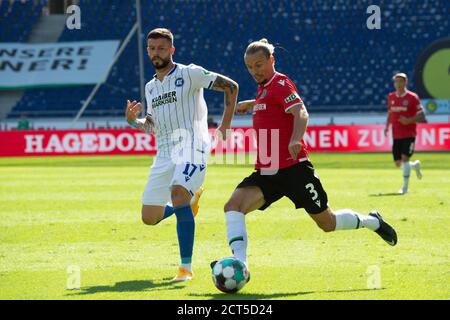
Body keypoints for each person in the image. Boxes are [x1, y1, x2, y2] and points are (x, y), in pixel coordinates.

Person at [212, 39, 397, 275]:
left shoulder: (280, 83)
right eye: (249, 67)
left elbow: (300, 111)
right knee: (233, 206)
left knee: (327, 223)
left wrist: (296, 139)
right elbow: (272, 107)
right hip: (267, 171)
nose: (254, 71)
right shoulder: (265, 88)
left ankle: (373, 222)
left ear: (272, 60)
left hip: (294, 170)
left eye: (259, 65)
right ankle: (241, 265)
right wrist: (254, 103)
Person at [126, 28, 238, 281]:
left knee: (177, 194)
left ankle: (185, 269)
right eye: (152, 48)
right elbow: (153, 127)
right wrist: (134, 121)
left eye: (162, 48)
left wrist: (225, 125)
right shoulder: (151, 87)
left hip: (192, 146)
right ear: (147, 51)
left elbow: (231, 86)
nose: (157, 53)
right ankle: (191, 201)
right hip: (164, 153)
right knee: (149, 217)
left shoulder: (190, 73)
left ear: (172, 50)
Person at [384, 73, 425, 194]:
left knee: (405, 158)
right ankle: (414, 166)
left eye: (400, 81)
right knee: (398, 163)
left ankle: (405, 188)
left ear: (405, 82)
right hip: (396, 134)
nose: (398, 84)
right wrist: (387, 126)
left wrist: (409, 120)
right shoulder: (391, 96)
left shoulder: (412, 97)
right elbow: (390, 113)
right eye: (396, 81)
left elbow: (422, 115)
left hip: (409, 134)